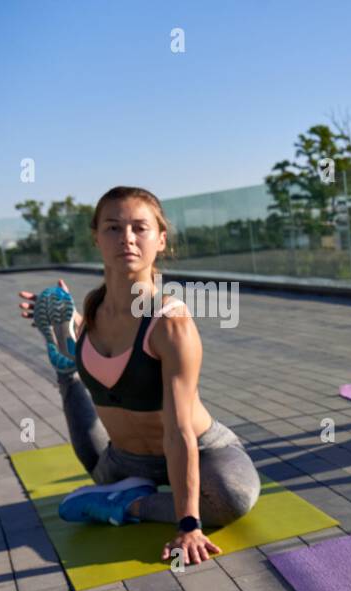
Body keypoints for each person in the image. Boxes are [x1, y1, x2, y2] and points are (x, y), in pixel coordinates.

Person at [17, 186, 260, 565]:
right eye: (113, 227)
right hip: (125, 459)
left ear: (160, 240)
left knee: (232, 500)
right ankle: (67, 363)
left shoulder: (170, 323)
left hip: (201, 448)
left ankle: (132, 504)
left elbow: (179, 430)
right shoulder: (94, 312)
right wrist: (70, 323)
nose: (126, 238)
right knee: (91, 435)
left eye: (139, 228)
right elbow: (110, 349)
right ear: (96, 237)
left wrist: (189, 523)